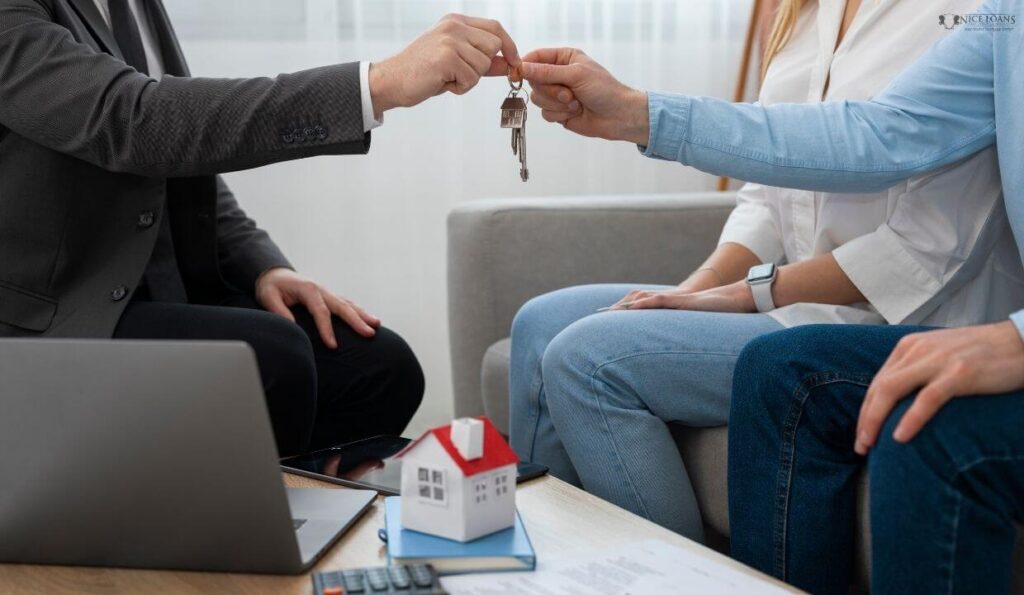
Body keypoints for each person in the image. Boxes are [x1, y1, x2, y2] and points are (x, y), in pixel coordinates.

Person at [519, 0, 1024, 591]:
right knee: (540, 324)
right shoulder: (801, 11)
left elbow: (929, 240)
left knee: (589, 358)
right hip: (791, 302)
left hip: (894, 312)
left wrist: (752, 292)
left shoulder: (975, 13)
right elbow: (812, 167)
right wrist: (693, 291)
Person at [0, 0, 521, 456]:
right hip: (56, 311)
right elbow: (136, 123)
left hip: (158, 286)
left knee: (383, 369)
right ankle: (244, 541)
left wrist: (261, 266)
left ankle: (296, 517)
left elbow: (183, 162)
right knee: (272, 360)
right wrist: (377, 84)